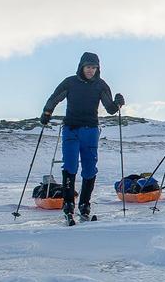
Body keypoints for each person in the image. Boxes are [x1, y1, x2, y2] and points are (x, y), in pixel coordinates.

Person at [41, 51, 124, 224]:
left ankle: (84, 204)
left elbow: (109, 108)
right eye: (88, 67)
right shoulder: (70, 82)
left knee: (89, 168)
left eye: (94, 68)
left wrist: (118, 103)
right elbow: (55, 98)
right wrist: (47, 112)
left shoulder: (101, 85)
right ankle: (68, 204)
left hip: (91, 131)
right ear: (81, 67)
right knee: (70, 165)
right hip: (71, 129)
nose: (91, 70)